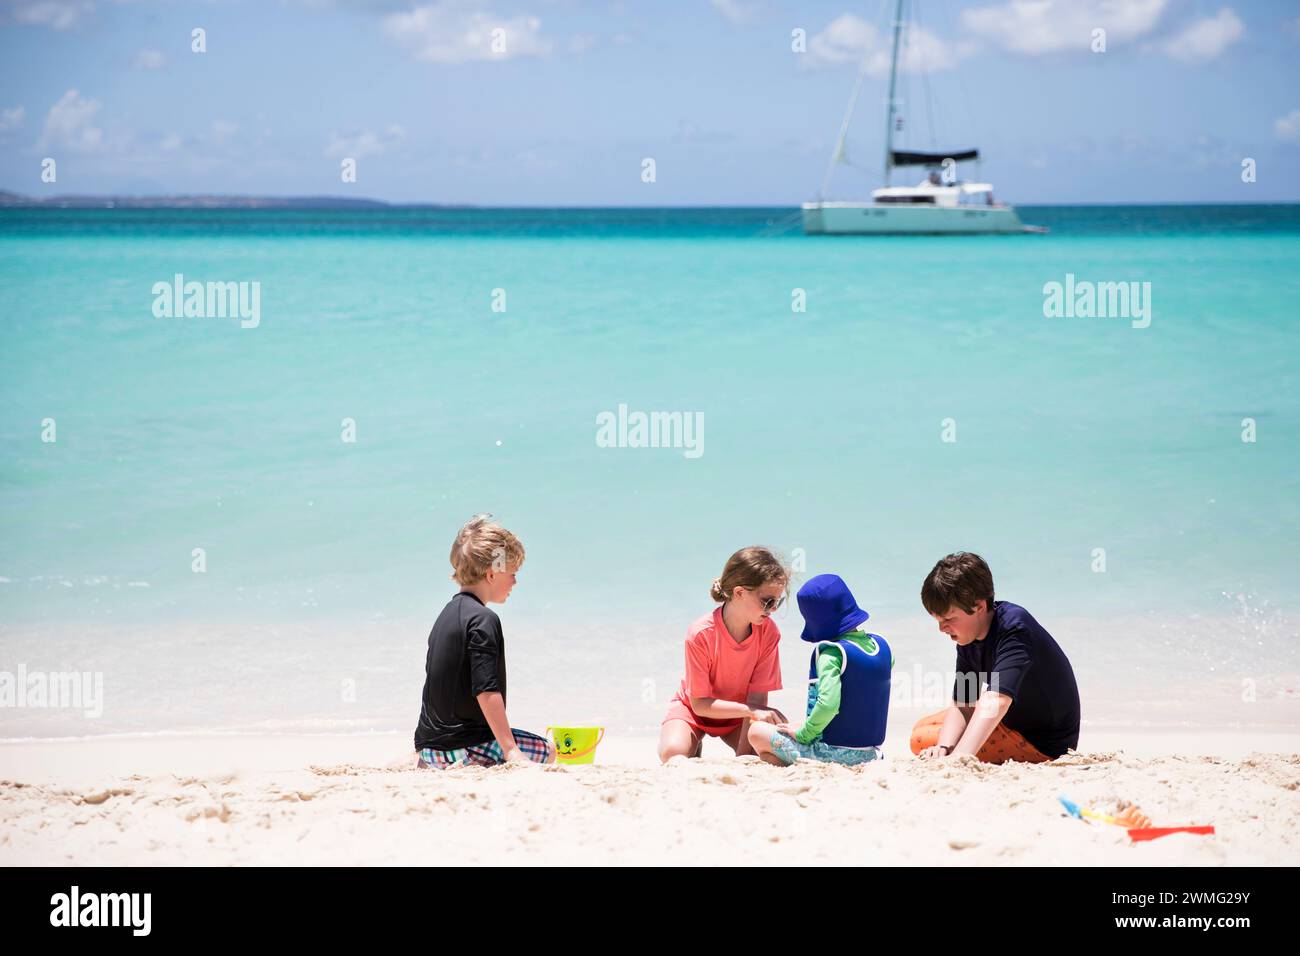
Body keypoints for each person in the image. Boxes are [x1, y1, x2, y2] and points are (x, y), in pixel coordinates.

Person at [413, 515, 555, 769]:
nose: (515, 582)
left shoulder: (444, 616)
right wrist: (511, 751)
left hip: (430, 749)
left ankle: (421, 758)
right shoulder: (484, 620)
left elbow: (434, 689)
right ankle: (493, 753)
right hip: (465, 748)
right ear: (491, 575)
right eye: (512, 573)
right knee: (549, 750)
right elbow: (486, 691)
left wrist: (420, 747)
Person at [910, 552, 1080, 764]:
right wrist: (944, 748)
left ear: (979, 606)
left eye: (949, 619)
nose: (941, 628)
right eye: (937, 620)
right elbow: (964, 703)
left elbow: (997, 700)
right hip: (1011, 724)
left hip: (1043, 743)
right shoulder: (969, 637)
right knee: (923, 730)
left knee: (921, 740)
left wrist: (959, 757)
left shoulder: (1014, 628)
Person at [658, 547, 789, 762]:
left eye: (777, 602)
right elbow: (700, 704)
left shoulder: (768, 632)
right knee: (673, 754)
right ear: (739, 593)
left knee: (763, 752)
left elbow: (756, 700)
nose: (773, 609)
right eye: (768, 601)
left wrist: (745, 756)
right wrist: (751, 711)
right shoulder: (701, 633)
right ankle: (692, 741)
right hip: (694, 711)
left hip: (739, 716)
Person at [749, 573, 893, 767]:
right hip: (872, 754)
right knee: (783, 739)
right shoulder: (883, 647)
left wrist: (804, 734)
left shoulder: (832, 654)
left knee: (757, 731)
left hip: (833, 754)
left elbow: (828, 705)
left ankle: (786, 760)